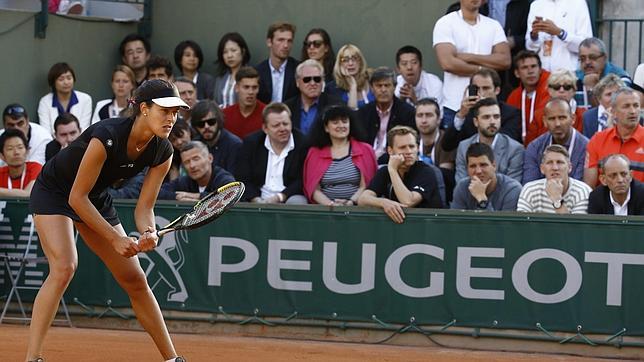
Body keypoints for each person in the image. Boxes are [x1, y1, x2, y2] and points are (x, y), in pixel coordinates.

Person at [27, 79, 187, 362]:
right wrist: (116, 239)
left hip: (94, 196)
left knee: (136, 279)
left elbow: (144, 208)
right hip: (56, 191)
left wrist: (148, 231)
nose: (172, 118)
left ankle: (173, 359)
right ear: (145, 109)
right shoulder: (107, 135)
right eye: (166, 110)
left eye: (176, 112)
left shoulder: (163, 151)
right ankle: (33, 358)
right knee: (64, 267)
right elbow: (76, 198)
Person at [433, 0, 510, 128]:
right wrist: (483, 69)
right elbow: (448, 63)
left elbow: (505, 60)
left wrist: (468, 57)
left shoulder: (493, 25)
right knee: (453, 147)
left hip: (487, 109)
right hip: (455, 105)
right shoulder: (445, 23)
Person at [358, 126, 443, 223]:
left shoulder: (426, 172)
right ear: (390, 150)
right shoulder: (385, 171)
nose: (409, 152)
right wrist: (383, 203)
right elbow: (362, 199)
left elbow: (408, 201)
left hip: (427, 227)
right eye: (402, 147)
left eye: (412, 146)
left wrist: (393, 170)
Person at [235, 102, 309, 204]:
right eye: (276, 125)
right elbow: (243, 178)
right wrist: (255, 199)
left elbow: (303, 180)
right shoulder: (252, 143)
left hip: (288, 197)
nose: (282, 129)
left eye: (285, 124)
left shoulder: (302, 143)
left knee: (298, 202)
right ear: (265, 128)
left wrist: (279, 197)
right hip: (257, 198)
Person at [303, 105, 377, 205]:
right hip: (325, 209)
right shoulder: (314, 153)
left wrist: (350, 202)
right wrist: (331, 205)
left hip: (357, 207)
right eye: (335, 122)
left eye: (345, 121)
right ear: (326, 128)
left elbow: (366, 186)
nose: (341, 125)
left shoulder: (365, 150)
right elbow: (313, 189)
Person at [441, 67, 521, 152]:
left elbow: (507, 144)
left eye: (486, 88)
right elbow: (447, 146)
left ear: (497, 90)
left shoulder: (511, 113)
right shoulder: (467, 114)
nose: (481, 93)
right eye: (477, 89)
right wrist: (460, 116)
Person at [584, 87, 644, 187]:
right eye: (626, 106)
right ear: (613, 112)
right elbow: (589, 186)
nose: (633, 111)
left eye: (636, 105)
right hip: (604, 200)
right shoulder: (597, 140)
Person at [455, 98, 524, 183]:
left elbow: (513, 188)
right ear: (476, 122)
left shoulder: (515, 149)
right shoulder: (464, 147)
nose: (492, 122)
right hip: (470, 195)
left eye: (496, 117)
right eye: (486, 117)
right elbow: (461, 184)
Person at [523, 98, 588, 184]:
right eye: (552, 119)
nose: (557, 124)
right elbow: (529, 185)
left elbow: (582, 186)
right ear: (545, 121)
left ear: (573, 119)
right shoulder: (534, 147)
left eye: (562, 118)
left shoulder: (586, 147)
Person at [357, 67, 416, 161]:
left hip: (396, 161)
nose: (383, 90)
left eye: (387, 85)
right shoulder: (363, 113)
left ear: (394, 87)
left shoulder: (407, 112)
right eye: (379, 86)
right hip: (366, 160)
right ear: (372, 88)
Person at [518, 144, 592, 213]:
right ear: (542, 169)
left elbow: (576, 226)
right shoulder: (530, 190)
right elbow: (521, 224)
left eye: (560, 162)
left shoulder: (582, 191)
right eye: (549, 162)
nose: (555, 168)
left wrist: (557, 200)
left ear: (569, 167)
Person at [525, 0, 592, 72]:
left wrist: (560, 33)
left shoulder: (578, 3)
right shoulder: (536, 5)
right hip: (542, 74)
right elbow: (530, 48)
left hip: (569, 75)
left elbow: (586, 45)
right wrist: (534, 37)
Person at [451, 142, 522, 211]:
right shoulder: (462, 187)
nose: (478, 171)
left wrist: (482, 200)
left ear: (494, 166)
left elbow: (506, 223)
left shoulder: (512, 189)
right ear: (467, 169)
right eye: (473, 166)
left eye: (483, 165)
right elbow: (455, 221)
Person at [159, 141, 235, 201]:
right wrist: (177, 197)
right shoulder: (185, 181)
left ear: (210, 158)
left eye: (196, 159)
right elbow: (157, 193)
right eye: (186, 162)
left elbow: (232, 195)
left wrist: (196, 196)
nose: (192, 165)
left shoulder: (222, 178)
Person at [524, 69, 585, 145]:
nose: (561, 90)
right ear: (549, 90)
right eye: (556, 87)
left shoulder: (584, 115)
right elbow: (530, 145)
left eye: (567, 87)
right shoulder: (538, 115)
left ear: (574, 90)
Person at [285, 59, 342, 135]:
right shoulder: (287, 108)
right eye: (307, 79)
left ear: (322, 82)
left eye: (317, 79)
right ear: (297, 82)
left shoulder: (335, 105)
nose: (312, 83)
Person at [415, 98, 455, 203]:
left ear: (438, 119)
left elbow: (443, 176)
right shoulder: (411, 141)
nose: (424, 120)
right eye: (420, 115)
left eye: (429, 115)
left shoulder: (447, 140)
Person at [506, 50, 551, 143]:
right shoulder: (513, 97)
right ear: (517, 73)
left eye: (533, 66)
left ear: (540, 70)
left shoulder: (550, 91)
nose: (530, 71)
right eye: (525, 67)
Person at [575, 37, 632, 110]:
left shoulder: (620, 78)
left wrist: (592, 89)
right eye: (582, 59)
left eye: (593, 57)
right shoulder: (575, 79)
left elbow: (614, 111)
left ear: (604, 58)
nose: (587, 62)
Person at [38, 62, 93, 133]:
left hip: (79, 142)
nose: (66, 82)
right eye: (61, 79)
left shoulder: (85, 99)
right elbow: (46, 132)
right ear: (53, 82)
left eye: (69, 78)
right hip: (54, 143)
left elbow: (84, 129)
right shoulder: (45, 102)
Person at [190, 100, 241, 174]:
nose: (206, 127)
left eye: (211, 122)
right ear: (195, 127)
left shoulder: (234, 145)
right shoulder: (195, 144)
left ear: (218, 121)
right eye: (201, 124)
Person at [256, 22, 299, 104]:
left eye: (289, 41)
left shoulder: (298, 69)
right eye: (281, 40)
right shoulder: (258, 71)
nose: (286, 45)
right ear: (269, 42)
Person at [222, 66, 266, 139]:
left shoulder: (267, 114)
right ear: (236, 88)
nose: (250, 92)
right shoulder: (225, 115)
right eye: (246, 87)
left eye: (254, 87)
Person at [327, 44, 374, 110]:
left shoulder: (371, 80)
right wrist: (353, 87)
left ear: (360, 62)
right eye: (345, 60)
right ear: (340, 64)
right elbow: (350, 115)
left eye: (354, 59)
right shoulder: (333, 89)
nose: (350, 63)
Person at [213, 32, 252, 108]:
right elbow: (216, 102)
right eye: (225, 52)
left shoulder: (251, 76)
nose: (229, 55)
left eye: (233, 50)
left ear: (243, 51)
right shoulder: (220, 78)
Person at [0, 129, 42, 197]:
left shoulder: (36, 168)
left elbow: (29, 194)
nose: (16, 152)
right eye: (10, 149)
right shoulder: (1, 173)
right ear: (2, 156)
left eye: (20, 147)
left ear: (27, 151)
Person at [582, 74, 626, 138]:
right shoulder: (588, 116)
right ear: (599, 99)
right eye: (608, 94)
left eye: (617, 93)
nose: (613, 98)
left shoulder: (629, 114)